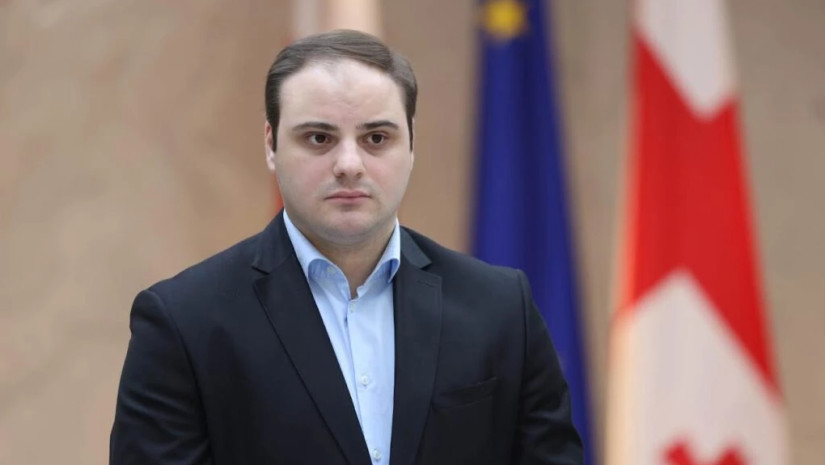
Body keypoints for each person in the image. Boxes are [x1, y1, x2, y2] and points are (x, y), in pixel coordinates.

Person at [110, 29, 583, 465]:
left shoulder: (501, 308)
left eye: (376, 137)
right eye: (319, 138)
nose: (349, 164)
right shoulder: (183, 323)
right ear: (271, 145)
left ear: (412, 145)